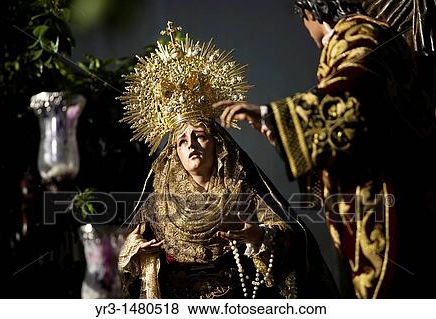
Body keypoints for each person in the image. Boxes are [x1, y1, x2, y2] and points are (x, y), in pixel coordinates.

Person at [214, 0, 436, 298]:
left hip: (387, 201)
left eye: (303, 22)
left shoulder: (358, 33)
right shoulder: (367, 36)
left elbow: (352, 98)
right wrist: (279, 130)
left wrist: (272, 116)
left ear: (310, 12)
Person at [117, 22, 338, 299]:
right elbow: (123, 255)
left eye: (199, 136)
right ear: (174, 153)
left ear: (218, 144)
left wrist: (258, 238)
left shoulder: (244, 193)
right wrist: (136, 253)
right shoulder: (157, 204)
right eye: (182, 142)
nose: (192, 146)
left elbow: (293, 241)